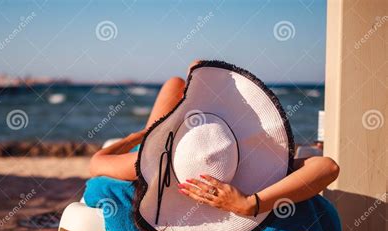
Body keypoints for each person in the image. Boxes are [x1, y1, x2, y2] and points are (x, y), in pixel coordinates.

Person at [89, 61, 339, 217]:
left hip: (166, 160)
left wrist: (141, 136)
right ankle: (187, 104)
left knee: (178, 81)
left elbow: (97, 162)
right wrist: (250, 204)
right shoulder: (260, 173)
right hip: (232, 171)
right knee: (188, 75)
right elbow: (328, 166)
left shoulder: (151, 165)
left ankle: (161, 127)